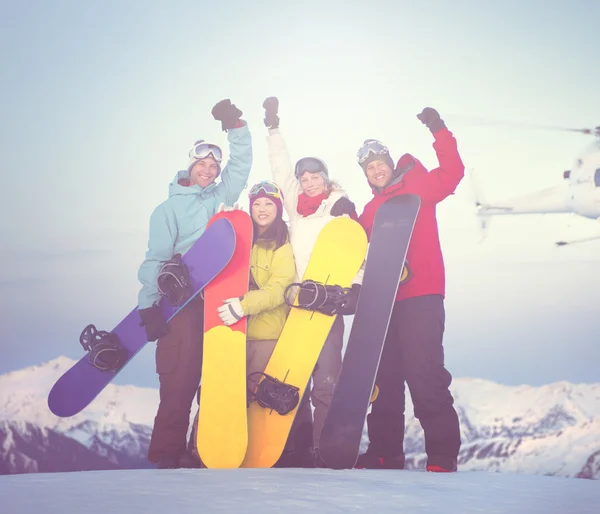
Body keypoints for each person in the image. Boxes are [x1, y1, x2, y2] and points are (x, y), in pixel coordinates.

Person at [137, 99, 252, 469]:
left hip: (217, 297)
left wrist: (235, 127)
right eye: (202, 164)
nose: (208, 170)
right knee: (180, 379)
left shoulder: (219, 195)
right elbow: (155, 258)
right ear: (190, 166)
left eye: (213, 166)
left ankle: (201, 450)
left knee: (217, 377)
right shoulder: (166, 210)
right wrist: (149, 305)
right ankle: (167, 454)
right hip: (181, 303)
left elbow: (241, 165)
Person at [349, 107, 464, 472]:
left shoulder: (420, 186)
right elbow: (354, 243)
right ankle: (386, 453)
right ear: (367, 176)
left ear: (389, 163)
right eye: (369, 168)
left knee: (424, 372)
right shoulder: (371, 209)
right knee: (382, 378)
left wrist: (439, 130)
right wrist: (344, 218)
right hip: (383, 304)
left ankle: (442, 455)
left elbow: (452, 174)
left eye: (379, 163)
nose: (376, 170)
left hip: (422, 296)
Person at [262, 97, 363, 465]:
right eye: (304, 179)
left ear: (326, 178)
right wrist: (273, 128)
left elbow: (355, 253)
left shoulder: (338, 209)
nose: (307, 183)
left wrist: (355, 289)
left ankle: (324, 447)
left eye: (314, 177)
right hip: (295, 303)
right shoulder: (295, 207)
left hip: (326, 304)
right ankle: (295, 447)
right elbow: (280, 170)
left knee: (326, 381)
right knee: (292, 377)